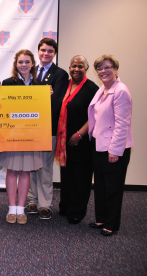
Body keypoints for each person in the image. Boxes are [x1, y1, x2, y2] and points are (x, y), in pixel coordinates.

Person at [0, 49, 43, 224]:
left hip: (31, 134)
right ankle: (11, 209)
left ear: (32, 64)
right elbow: (1, 110)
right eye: (20, 62)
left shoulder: (40, 86)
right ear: (16, 64)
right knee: (12, 171)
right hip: (11, 134)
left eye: (27, 62)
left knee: (25, 172)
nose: (24, 65)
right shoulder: (7, 83)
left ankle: (21, 210)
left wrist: (49, 97)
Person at [88, 55, 133, 236]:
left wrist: (115, 150)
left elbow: (122, 124)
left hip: (114, 148)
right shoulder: (103, 89)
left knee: (113, 187)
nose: (103, 71)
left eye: (107, 67)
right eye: (99, 68)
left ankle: (111, 223)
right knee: (100, 184)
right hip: (99, 145)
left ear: (115, 68)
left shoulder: (121, 90)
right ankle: (101, 219)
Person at [26, 38, 69, 220]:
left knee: (45, 167)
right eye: (43, 50)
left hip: (48, 128)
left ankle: (45, 204)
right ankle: (31, 200)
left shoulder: (60, 74)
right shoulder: (30, 70)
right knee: (30, 165)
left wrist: (41, 97)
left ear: (54, 54)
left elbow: (57, 101)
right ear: (38, 51)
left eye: (50, 51)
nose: (46, 53)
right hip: (28, 128)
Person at [54, 56, 98, 224]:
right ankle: (65, 206)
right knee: (67, 176)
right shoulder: (65, 85)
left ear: (86, 68)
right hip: (64, 140)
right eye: (74, 66)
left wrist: (79, 134)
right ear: (69, 67)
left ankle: (77, 212)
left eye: (80, 66)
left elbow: (95, 115)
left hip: (81, 141)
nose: (76, 69)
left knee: (81, 178)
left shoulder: (91, 88)